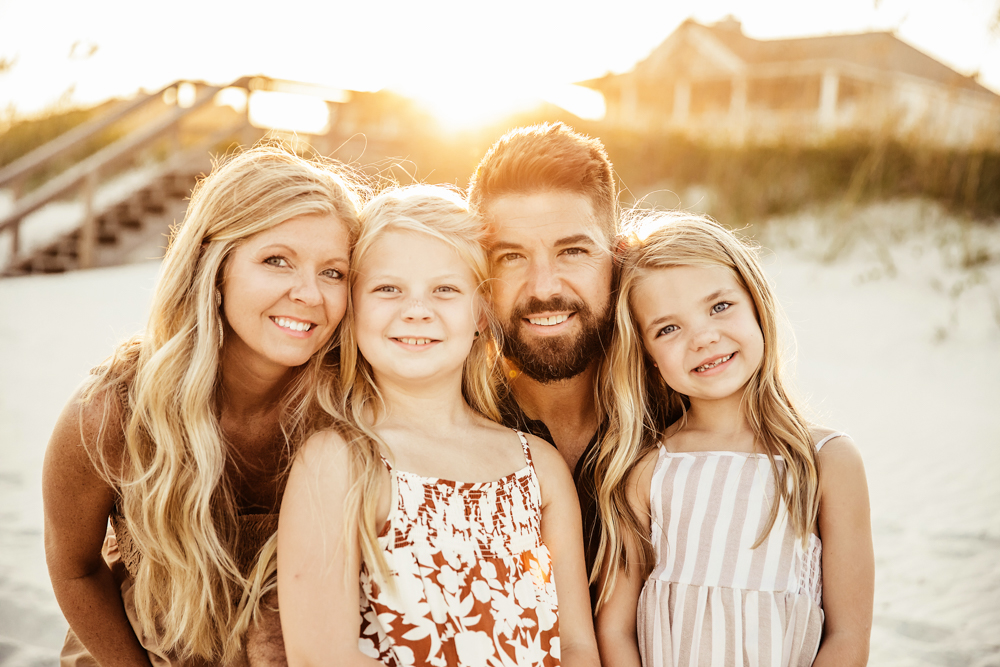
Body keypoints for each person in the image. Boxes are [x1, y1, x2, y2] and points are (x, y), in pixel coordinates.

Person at [43, 145, 364, 666]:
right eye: (276, 260)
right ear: (214, 269)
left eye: (333, 272)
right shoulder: (110, 413)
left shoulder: (349, 406)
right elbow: (73, 569)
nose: (309, 293)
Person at [277, 186, 600, 667]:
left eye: (445, 290)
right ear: (354, 308)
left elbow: (575, 645)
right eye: (388, 289)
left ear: (480, 314)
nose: (417, 309)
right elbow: (322, 656)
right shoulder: (340, 462)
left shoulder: (540, 468)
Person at [592, 213, 874, 666]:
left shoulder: (826, 462)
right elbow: (615, 629)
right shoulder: (647, 469)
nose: (703, 337)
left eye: (720, 306)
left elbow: (848, 637)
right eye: (668, 328)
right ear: (647, 355)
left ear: (756, 302)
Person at [467, 122, 617, 574]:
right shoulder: (449, 424)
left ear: (618, 254)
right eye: (511, 256)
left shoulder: (678, 411)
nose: (544, 288)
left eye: (572, 251)